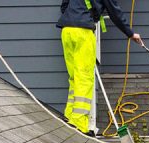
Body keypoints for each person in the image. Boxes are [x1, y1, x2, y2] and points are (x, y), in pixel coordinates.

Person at [57, 0, 143, 134]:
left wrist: (76, 16)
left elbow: (64, 5)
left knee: (74, 75)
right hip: (83, 32)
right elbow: (115, 12)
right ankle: (79, 121)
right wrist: (130, 33)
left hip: (67, 30)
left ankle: (70, 114)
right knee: (84, 77)